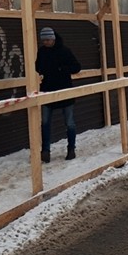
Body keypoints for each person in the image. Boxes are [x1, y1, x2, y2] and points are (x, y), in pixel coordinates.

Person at [36, 27, 81, 162]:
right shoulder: (42, 51)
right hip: (47, 90)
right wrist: (41, 69)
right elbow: (37, 66)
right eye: (43, 40)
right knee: (44, 122)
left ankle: (71, 149)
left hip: (64, 90)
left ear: (53, 39)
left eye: (48, 40)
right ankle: (45, 151)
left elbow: (77, 67)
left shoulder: (64, 51)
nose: (45, 42)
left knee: (69, 123)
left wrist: (61, 69)